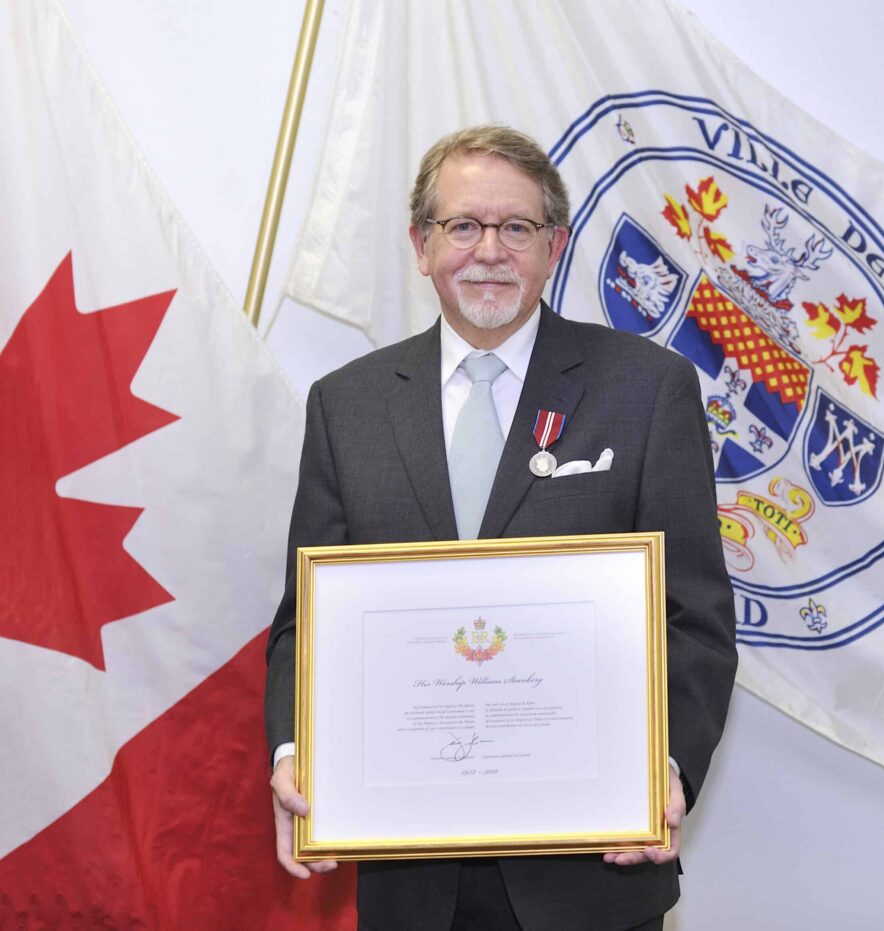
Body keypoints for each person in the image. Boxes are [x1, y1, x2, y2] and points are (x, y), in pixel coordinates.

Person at [265, 125, 737, 931]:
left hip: (593, 876)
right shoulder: (345, 406)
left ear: (553, 247)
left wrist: (665, 761)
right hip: (410, 877)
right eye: (463, 226)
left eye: (516, 228)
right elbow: (306, 622)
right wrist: (292, 752)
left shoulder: (648, 389)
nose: (489, 250)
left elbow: (694, 617)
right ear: (421, 245)